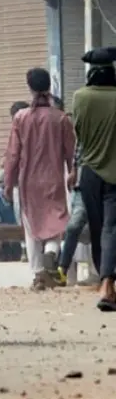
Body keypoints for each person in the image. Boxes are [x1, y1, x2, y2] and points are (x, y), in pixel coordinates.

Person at [3, 67, 74, 290]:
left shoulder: (20, 118)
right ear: (49, 88)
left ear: (30, 88)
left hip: (28, 182)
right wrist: (73, 173)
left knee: (31, 227)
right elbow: (72, 153)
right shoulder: (61, 119)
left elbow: (12, 154)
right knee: (56, 222)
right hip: (54, 179)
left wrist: (8, 184)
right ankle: (52, 253)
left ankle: (37, 274)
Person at [71, 47, 116, 310]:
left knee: (99, 230)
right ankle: (107, 284)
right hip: (114, 175)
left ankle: (106, 282)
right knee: (112, 229)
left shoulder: (79, 98)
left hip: (90, 174)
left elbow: (80, 136)